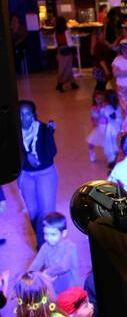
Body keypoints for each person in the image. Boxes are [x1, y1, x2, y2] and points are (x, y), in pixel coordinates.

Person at [18, 100, 58, 248]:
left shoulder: (42, 128)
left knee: (46, 211)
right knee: (33, 211)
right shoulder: (12, 132)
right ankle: (41, 241)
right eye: (20, 114)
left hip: (45, 173)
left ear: (33, 115)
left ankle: (45, 245)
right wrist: (26, 154)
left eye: (28, 114)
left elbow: (51, 153)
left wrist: (50, 133)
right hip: (25, 174)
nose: (24, 118)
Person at [28, 212, 79, 297]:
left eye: (53, 234)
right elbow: (36, 264)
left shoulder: (70, 247)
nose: (49, 238)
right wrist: (28, 275)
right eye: (46, 234)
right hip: (54, 290)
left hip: (71, 291)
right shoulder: (45, 247)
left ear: (64, 233)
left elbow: (63, 266)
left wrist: (45, 273)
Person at [53, 16, 78, 93]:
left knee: (63, 67)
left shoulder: (55, 33)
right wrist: (74, 49)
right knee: (67, 68)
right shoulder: (66, 31)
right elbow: (70, 43)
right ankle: (60, 84)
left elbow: (55, 45)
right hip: (67, 51)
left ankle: (72, 83)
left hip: (60, 51)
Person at [102, 90, 123, 169]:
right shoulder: (119, 107)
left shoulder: (107, 108)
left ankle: (113, 160)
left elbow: (111, 117)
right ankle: (118, 158)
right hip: (119, 127)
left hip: (111, 129)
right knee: (118, 143)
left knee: (110, 144)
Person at [86, 90, 108, 162]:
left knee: (108, 142)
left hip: (107, 128)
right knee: (90, 141)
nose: (100, 100)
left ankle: (111, 154)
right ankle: (91, 152)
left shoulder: (106, 107)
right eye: (98, 99)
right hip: (99, 128)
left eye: (101, 99)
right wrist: (94, 122)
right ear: (94, 99)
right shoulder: (94, 108)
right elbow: (93, 118)